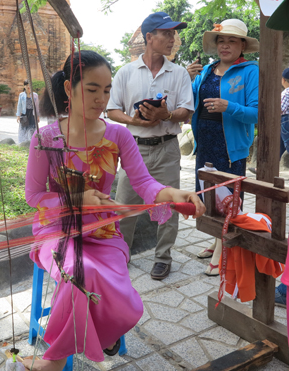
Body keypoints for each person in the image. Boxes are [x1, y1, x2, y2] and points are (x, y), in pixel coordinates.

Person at [23, 50, 205, 371]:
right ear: (68, 89)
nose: (101, 99)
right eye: (92, 89)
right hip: (57, 230)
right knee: (82, 272)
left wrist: (174, 193)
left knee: (99, 275)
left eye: (107, 91)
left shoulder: (117, 134)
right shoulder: (46, 138)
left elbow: (145, 184)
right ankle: (56, 359)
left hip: (104, 232)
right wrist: (75, 201)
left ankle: (101, 331)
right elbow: (34, 195)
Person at [107, 12, 194, 280]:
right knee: (125, 206)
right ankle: (121, 254)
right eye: (166, 33)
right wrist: (134, 120)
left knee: (169, 206)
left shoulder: (178, 73)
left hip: (168, 149)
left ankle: (163, 258)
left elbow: (186, 111)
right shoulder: (125, 72)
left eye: (173, 33)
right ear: (149, 37)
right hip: (133, 149)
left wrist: (164, 115)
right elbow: (112, 110)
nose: (172, 38)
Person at [187, 19, 259, 275]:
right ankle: (216, 239)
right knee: (208, 196)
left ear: (242, 45)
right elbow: (189, 101)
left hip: (230, 148)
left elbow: (256, 113)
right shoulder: (207, 70)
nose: (225, 45)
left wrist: (229, 106)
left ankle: (222, 249)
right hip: (205, 145)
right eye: (221, 40)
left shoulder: (251, 71)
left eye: (232, 40)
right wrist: (186, 78)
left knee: (227, 198)